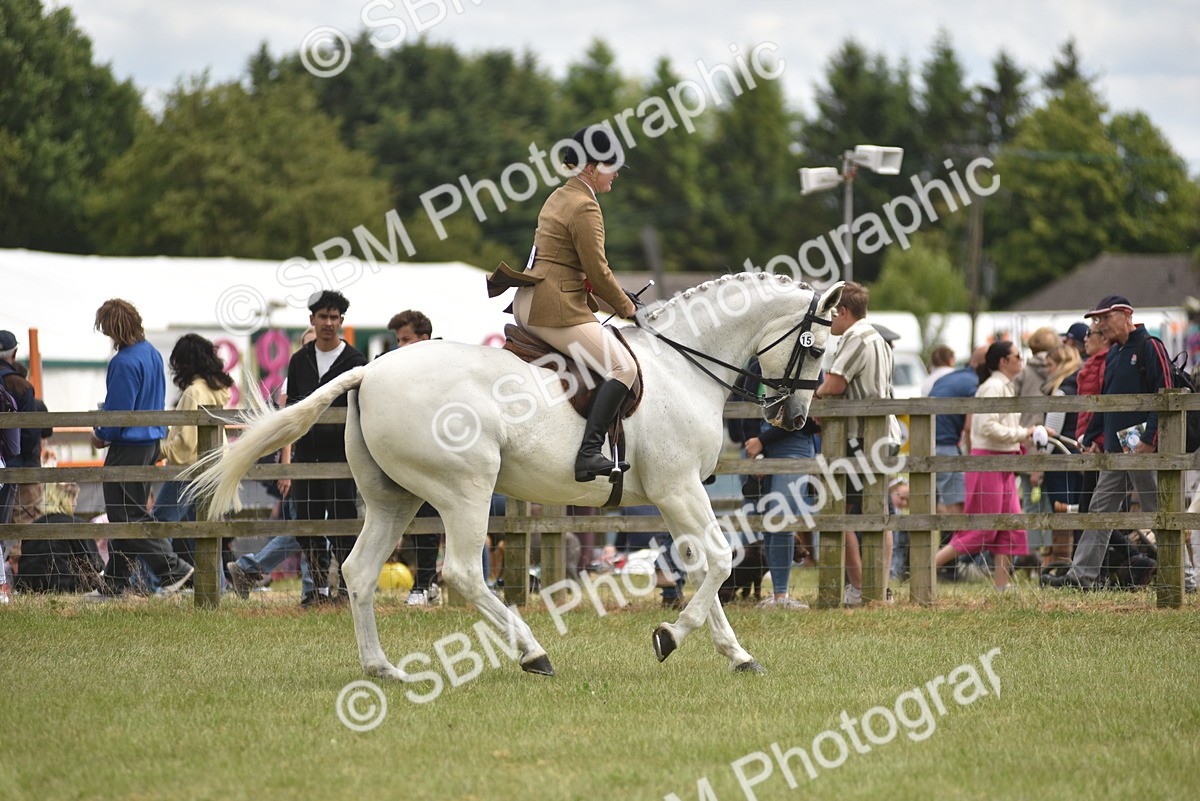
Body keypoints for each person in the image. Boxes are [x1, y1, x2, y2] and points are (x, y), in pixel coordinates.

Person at [487, 124, 641, 482]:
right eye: (611, 166)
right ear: (590, 167)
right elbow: (599, 273)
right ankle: (588, 454)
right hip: (552, 308)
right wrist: (630, 310)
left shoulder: (559, 195)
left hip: (528, 300)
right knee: (624, 369)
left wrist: (615, 300)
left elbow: (574, 268)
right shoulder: (585, 206)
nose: (615, 173)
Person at [1045, 295, 1173, 590]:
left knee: (1160, 513)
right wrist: (1091, 438)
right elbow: (1106, 403)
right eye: (1096, 320)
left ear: (1126, 315)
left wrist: (1149, 440)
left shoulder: (1149, 346)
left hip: (1142, 449)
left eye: (1105, 318)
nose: (1100, 325)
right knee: (1099, 513)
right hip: (1117, 449)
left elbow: (1166, 394)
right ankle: (1081, 577)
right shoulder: (1114, 353)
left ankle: (1183, 577)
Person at [87, 299, 194, 599]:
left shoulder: (123, 362)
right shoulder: (151, 354)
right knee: (126, 515)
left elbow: (119, 414)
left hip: (127, 445)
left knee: (127, 516)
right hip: (150, 442)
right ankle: (115, 582)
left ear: (113, 329)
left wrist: (100, 435)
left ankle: (172, 568)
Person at [814, 282, 897, 606]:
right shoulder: (876, 336)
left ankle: (861, 587)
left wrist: (815, 397)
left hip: (862, 437)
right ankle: (879, 587)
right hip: (880, 435)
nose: (828, 322)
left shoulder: (855, 337)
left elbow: (835, 384)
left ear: (843, 312)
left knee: (839, 510)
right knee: (878, 511)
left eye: (830, 315)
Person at [285, 290, 367, 607]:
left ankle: (344, 589)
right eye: (323, 317)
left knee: (344, 524)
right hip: (306, 456)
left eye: (334, 317)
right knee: (307, 524)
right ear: (312, 320)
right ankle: (317, 588)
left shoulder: (356, 362)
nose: (328, 323)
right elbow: (292, 407)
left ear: (342, 321)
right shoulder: (299, 360)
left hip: (343, 457)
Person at [934, 341, 1036, 591]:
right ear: (1003, 361)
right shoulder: (993, 387)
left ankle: (1001, 585)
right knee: (982, 529)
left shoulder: (1003, 386)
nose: (1021, 360)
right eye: (1017, 356)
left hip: (1001, 462)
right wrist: (1024, 433)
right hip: (988, 462)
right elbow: (987, 427)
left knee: (1009, 526)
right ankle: (925, 568)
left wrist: (1019, 440)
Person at [227, 329, 316, 599]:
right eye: (309, 344)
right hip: (300, 464)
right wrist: (286, 468)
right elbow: (287, 424)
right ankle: (311, 590)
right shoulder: (295, 378)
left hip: (315, 462)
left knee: (309, 529)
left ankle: (251, 569)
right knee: (308, 529)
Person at [728, 357, 814, 609]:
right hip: (758, 446)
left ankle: (781, 595)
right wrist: (756, 451)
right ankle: (773, 595)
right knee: (762, 519)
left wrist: (762, 442)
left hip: (793, 444)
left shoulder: (805, 364)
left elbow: (803, 415)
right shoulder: (757, 366)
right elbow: (745, 408)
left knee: (779, 517)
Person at [154, 334, 234, 573]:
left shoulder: (194, 392)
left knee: (159, 525)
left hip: (189, 470)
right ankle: (215, 586)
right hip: (214, 468)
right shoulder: (214, 391)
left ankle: (151, 581)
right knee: (202, 534)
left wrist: (157, 449)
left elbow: (186, 444)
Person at [386, 309, 441, 607]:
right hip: (408, 459)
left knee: (430, 524)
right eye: (398, 340)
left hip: (439, 461)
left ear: (425, 339)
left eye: (406, 340)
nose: (400, 347)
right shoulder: (397, 372)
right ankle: (426, 584)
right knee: (413, 522)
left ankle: (425, 584)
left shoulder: (444, 368)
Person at [1039, 344, 1083, 569]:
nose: (1047, 370)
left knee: (1061, 512)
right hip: (1078, 456)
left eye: (1050, 364)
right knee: (1077, 511)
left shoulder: (1061, 391)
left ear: (1061, 364)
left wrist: (1040, 462)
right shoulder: (1079, 385)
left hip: (1060, 459)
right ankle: (1076, 561)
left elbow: (1051, 433)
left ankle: (1063, 562)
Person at [0, 330, 44, 525]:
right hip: (21, 468)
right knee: (26, 527)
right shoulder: (22, 386)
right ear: (15, 353)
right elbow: (30, 433)